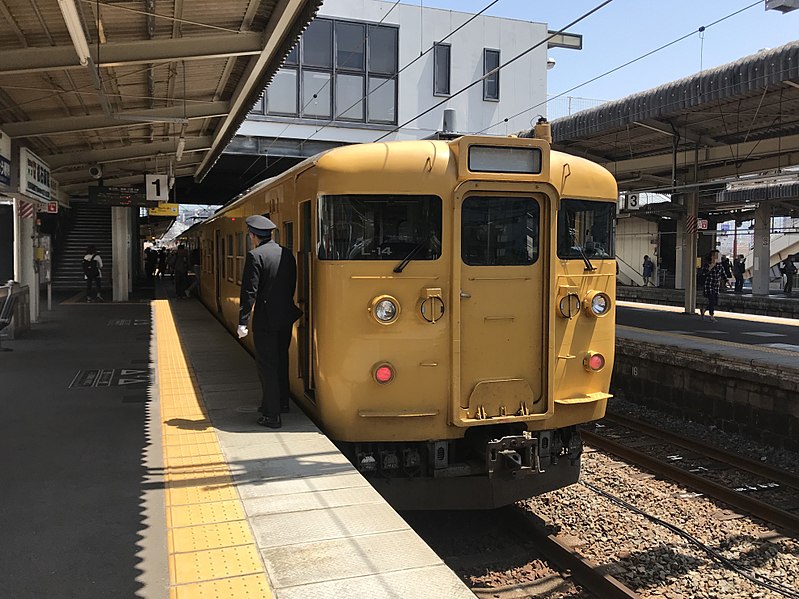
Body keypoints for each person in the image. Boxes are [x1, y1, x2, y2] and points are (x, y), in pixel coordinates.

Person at [237, 215, 302, 429]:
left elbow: (249, 292)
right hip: (285, 317)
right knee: (281, 360)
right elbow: (290, 285)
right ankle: (282, 402)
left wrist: (243, 322)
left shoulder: (255, 256)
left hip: (266, 320)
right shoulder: (287, 254)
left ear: (253, 235)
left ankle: (272, 415)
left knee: (267, 366)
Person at [699, 250, 726, 322]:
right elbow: (703, 274)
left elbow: (723, 274)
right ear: (712, 256)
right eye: (716, 255)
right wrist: (710, 267)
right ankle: (711, 316)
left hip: (716, 286)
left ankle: (704, 310)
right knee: (712, 300)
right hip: (708, 285)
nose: (717, 257)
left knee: (715, 301)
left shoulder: (720, 265)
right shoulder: (707, 265)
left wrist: (727, 281)